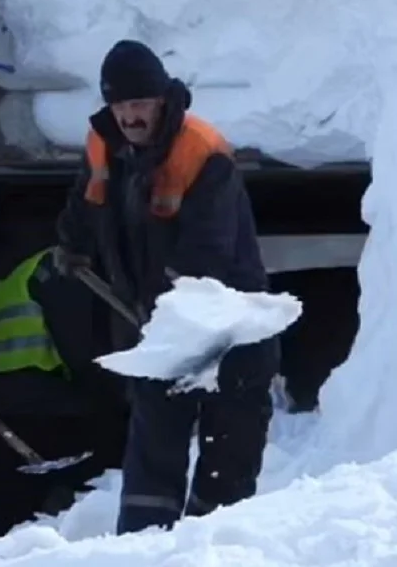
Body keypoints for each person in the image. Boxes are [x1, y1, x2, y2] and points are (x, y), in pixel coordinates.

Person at [52, 39, 278, 534]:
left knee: (230, 453)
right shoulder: (105, 146)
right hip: (157, 326)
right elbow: (87, 204)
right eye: (121, 105)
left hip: (229, 323)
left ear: (161, 100)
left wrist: (168, 308)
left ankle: (212, 546)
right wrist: (71, 243)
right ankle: (142, 546)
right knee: (154, 448)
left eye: (140, 104)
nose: (131, 116)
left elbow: (207, 252)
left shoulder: (202, 153)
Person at [0, 245, 123, 537]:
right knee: (103, 483)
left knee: (10, 503)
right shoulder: (51, 268)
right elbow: (77, 345)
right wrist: (107, 390)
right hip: (53, 402)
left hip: (6, 405)